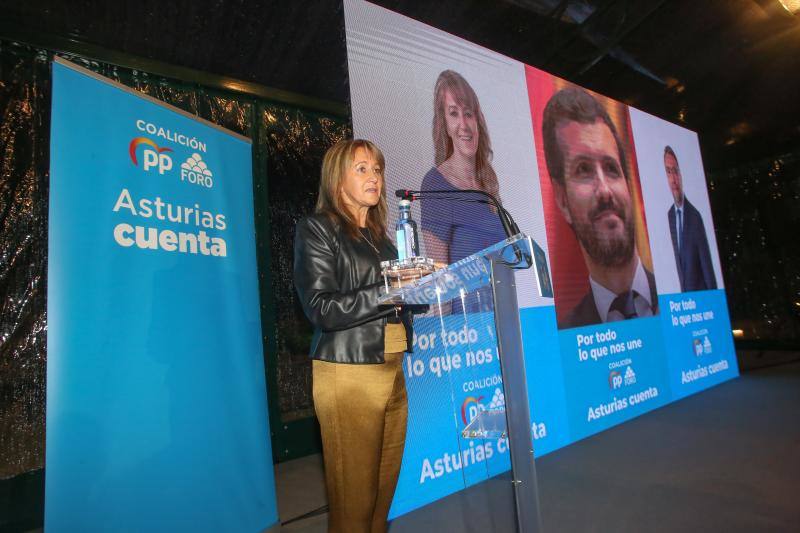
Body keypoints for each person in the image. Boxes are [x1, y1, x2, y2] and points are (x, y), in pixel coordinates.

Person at [293, 139, 411, 533]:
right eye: (361, 169)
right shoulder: (317, 229)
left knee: (381, 498)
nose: (374, 177)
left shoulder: (383, 239)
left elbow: (396, 300)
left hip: (392, 368)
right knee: (354, 505)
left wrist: (424, 283)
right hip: (348, 374)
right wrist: (391, 288)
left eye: (377, 169)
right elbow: (321, 308)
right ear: (337, 180)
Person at [542, 87, 658, 329]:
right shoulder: (567, 334)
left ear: (628, 185)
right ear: (562, 200)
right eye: (583, 170)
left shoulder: (679, 296)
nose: (605, 191)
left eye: (611, 168)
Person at [420, 70, 506, 311]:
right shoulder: (436, 185)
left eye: (468, 113)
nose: (464, 125)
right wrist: (447, 332)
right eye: (453, 113)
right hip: (467, 325)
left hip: (502, 318)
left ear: (477, 120)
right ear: (444, 124)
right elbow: (440, 283)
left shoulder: (488, 183)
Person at [664, 145, 717, 292]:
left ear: (681, 174)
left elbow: (708, 270)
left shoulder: (695, 217)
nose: (673, 179)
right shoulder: (669, 216)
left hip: (700, 300)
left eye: (675, 171)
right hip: (683, 301)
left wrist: (714, 300)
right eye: (668, 172)